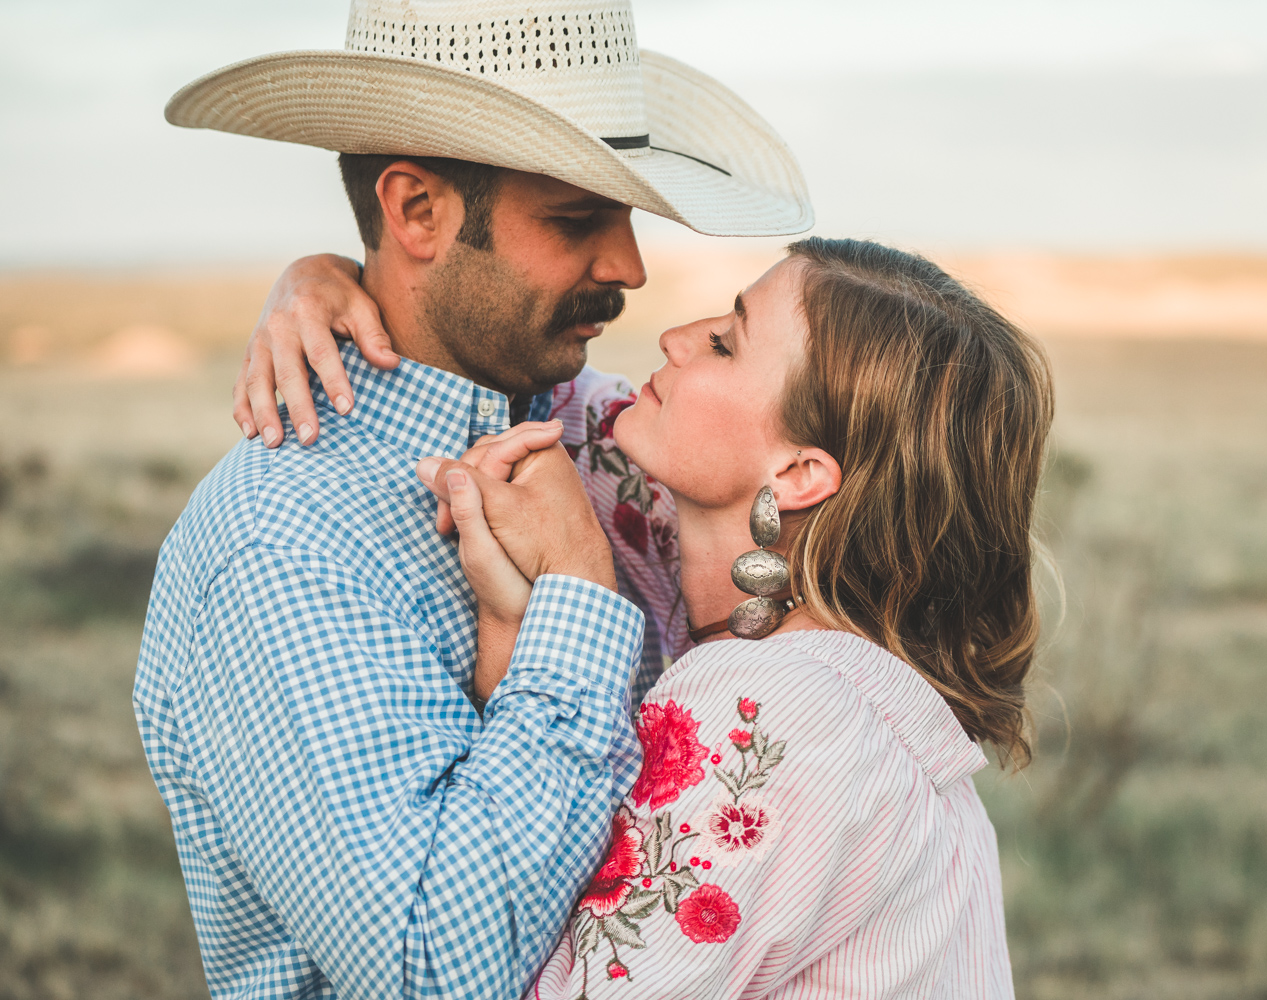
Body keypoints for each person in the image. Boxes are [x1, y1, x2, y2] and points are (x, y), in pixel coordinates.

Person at [133, 0, 811, 996]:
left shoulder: (599, 423)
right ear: (418, 214)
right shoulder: (283, 547)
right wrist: (578, 604)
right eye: (579, 218)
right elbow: (433, 966)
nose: (630, 265)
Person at [243, 236, 1054, 996]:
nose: (675, 336)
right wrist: (325, 282)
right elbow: (471, 377)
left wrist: (571, 594)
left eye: (727, 343)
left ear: (801, 471)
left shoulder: (784, 716)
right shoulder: (676, 537)